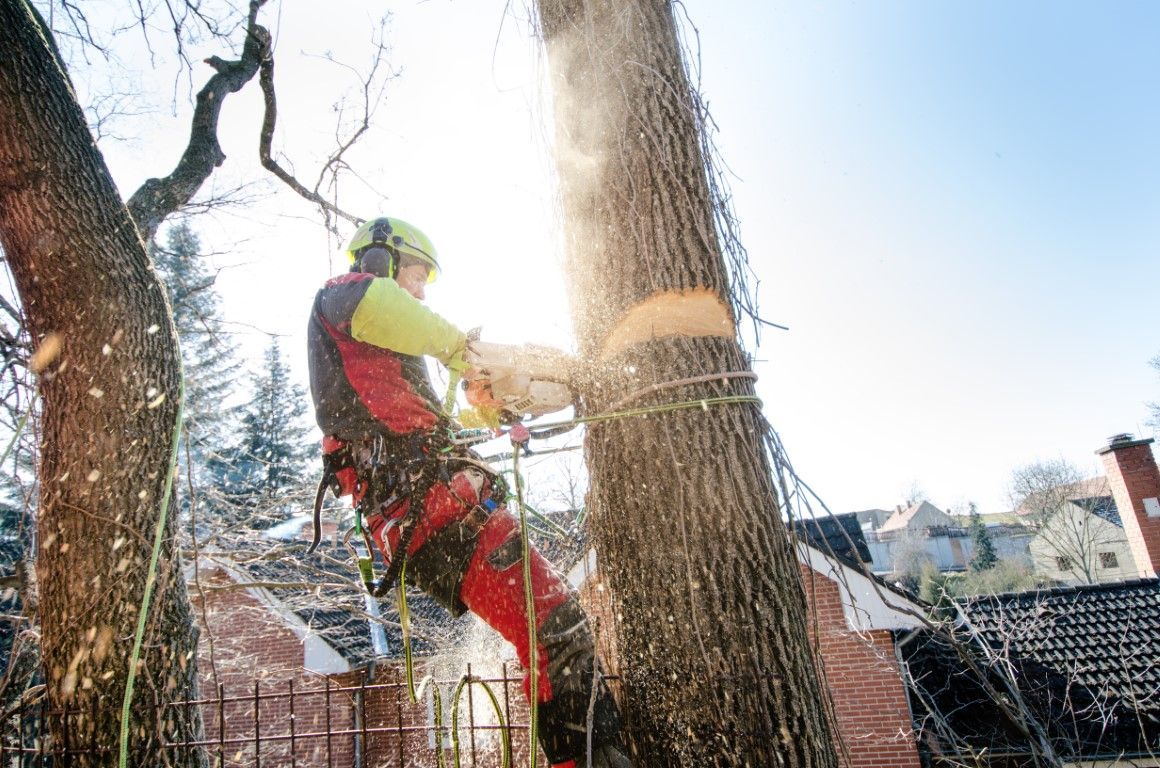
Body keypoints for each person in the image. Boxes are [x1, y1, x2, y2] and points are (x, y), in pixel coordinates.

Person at [307, 216, 632, 768]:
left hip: (437, 510)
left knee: (551, 635)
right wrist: (465, 352)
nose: (421, 288)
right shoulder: (344, 298)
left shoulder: (385, 357)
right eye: (416, 273)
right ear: (381, 260)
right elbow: (398, 314)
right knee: (558, 631)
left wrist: (489, 406)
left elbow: (428, 422)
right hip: (430, 513)